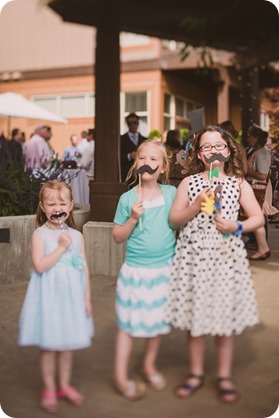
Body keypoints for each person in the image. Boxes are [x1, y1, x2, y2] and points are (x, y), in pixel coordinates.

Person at [165, 125, 264, 403]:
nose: (213, 151)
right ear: (198, 153)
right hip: (194, 257)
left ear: (228, 149)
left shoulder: (238, 183)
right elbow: (174, 220)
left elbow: (257, 217)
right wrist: (195, 206)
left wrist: (237, 225)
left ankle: (223, 375)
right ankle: (195, 373)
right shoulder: (188, 183)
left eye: (218, 146)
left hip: (224, 257)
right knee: (195, 319)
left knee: (224, 320)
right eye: (206, 147)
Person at [18, 180, 94, 413]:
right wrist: (61, 248)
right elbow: (40, 267)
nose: (57, 208)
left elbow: (83, 268)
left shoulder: (77, 236)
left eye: (62, 202)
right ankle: (49, 388)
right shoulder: (39, 235)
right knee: (50, 345)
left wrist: (87, 298)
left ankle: (64, 386)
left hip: (71, 298)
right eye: (51, 203)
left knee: (66, 345)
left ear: (71, 206)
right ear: (42, 207)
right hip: (48, 299)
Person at [112, 139, 176, 400]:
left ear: (162, 168)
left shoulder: (171, 194)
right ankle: (119, 374)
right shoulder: (128, 198)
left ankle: (148, 364)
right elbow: (118, 236)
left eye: (153, 160)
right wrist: (133, 219)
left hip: (164, 271)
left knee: (157, 322)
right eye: (142, 158)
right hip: (136, 273)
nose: (147, 164)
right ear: (135, 163)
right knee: (127, 326)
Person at [246, 124, 274, 260]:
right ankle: (258, 243)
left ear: (256, 138)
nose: (247, 139)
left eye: (250, 137)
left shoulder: (261, 152)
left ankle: (260, 244)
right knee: (258, 215)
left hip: (259, 189)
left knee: (258, 216)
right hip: (257, 189)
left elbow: (263, 175)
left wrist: (247, 171)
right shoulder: (258, 151)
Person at [120, 112, 146, 182]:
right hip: (127, 175)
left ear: (138, 123)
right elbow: (117, 158)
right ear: (127, 124)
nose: (132, 125)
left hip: (141, 175)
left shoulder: (145, 140)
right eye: (130, 123)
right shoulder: (120, 139)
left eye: (135, 123)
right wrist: (129, 156)